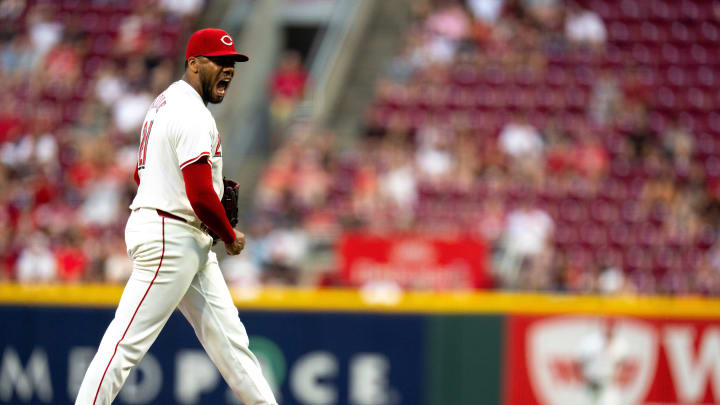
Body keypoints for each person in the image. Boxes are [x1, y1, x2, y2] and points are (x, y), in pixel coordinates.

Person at [75, 28, 278, 405]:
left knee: (232, 345)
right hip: (172, 234)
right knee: (124, 344)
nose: (229, 69)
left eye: (232, 62)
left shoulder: (164, 103)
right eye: (220, 61)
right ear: (195, 63)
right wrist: (229, 233)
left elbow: (142, 174)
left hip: (182, 235)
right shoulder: (191, 112)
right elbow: (200, 194)